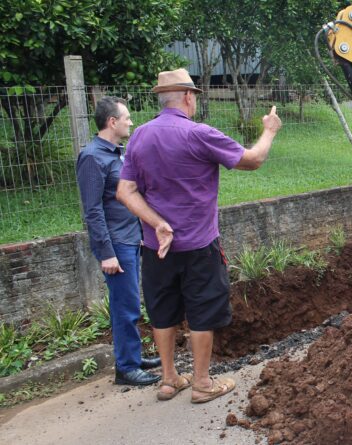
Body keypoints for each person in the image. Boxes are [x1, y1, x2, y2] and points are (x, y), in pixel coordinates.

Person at [117, 68, 282, 403]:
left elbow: (125, 190)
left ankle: (168, 380)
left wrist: (157, 222)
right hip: (199, 245)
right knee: (202, 312)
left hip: (155, 247)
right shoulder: (199, 134)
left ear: (162, 99)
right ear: (189, 97)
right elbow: (253, 160)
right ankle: (202, 383)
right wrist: (269, 131)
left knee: (162, 311)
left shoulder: (139, 136)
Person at [76, 96, 161, 386]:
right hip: (116, 245)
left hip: (131, 238)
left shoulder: (116, 153)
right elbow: (92, 210)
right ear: (112, 122)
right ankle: (125, 368)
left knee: (132, 303)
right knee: (125, 306)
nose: (131, 122)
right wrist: (106, 253)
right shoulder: (92, 157)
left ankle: (133, 356)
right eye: (126, 118)